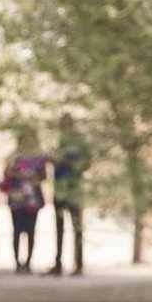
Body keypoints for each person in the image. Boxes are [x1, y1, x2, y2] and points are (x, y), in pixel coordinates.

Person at [46, 114, 91, 276]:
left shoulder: (80, 141)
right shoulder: (60, 142)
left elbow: (86, 163)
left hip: (74, 189)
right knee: (58, 227)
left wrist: (66, 163)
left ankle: (78, 264)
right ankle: (58, 263)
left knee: (76, 227)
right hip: (59, 189)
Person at [2, 127, 48, 274]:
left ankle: (28, 262)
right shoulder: (13, 156)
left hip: (32, 199)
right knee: (16, 230)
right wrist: (21, 175)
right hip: (17, 198)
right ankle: (17, 262)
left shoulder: (38, 157)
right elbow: (7, 173)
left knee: (30, 231)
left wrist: (33, 178)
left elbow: (44, 175)